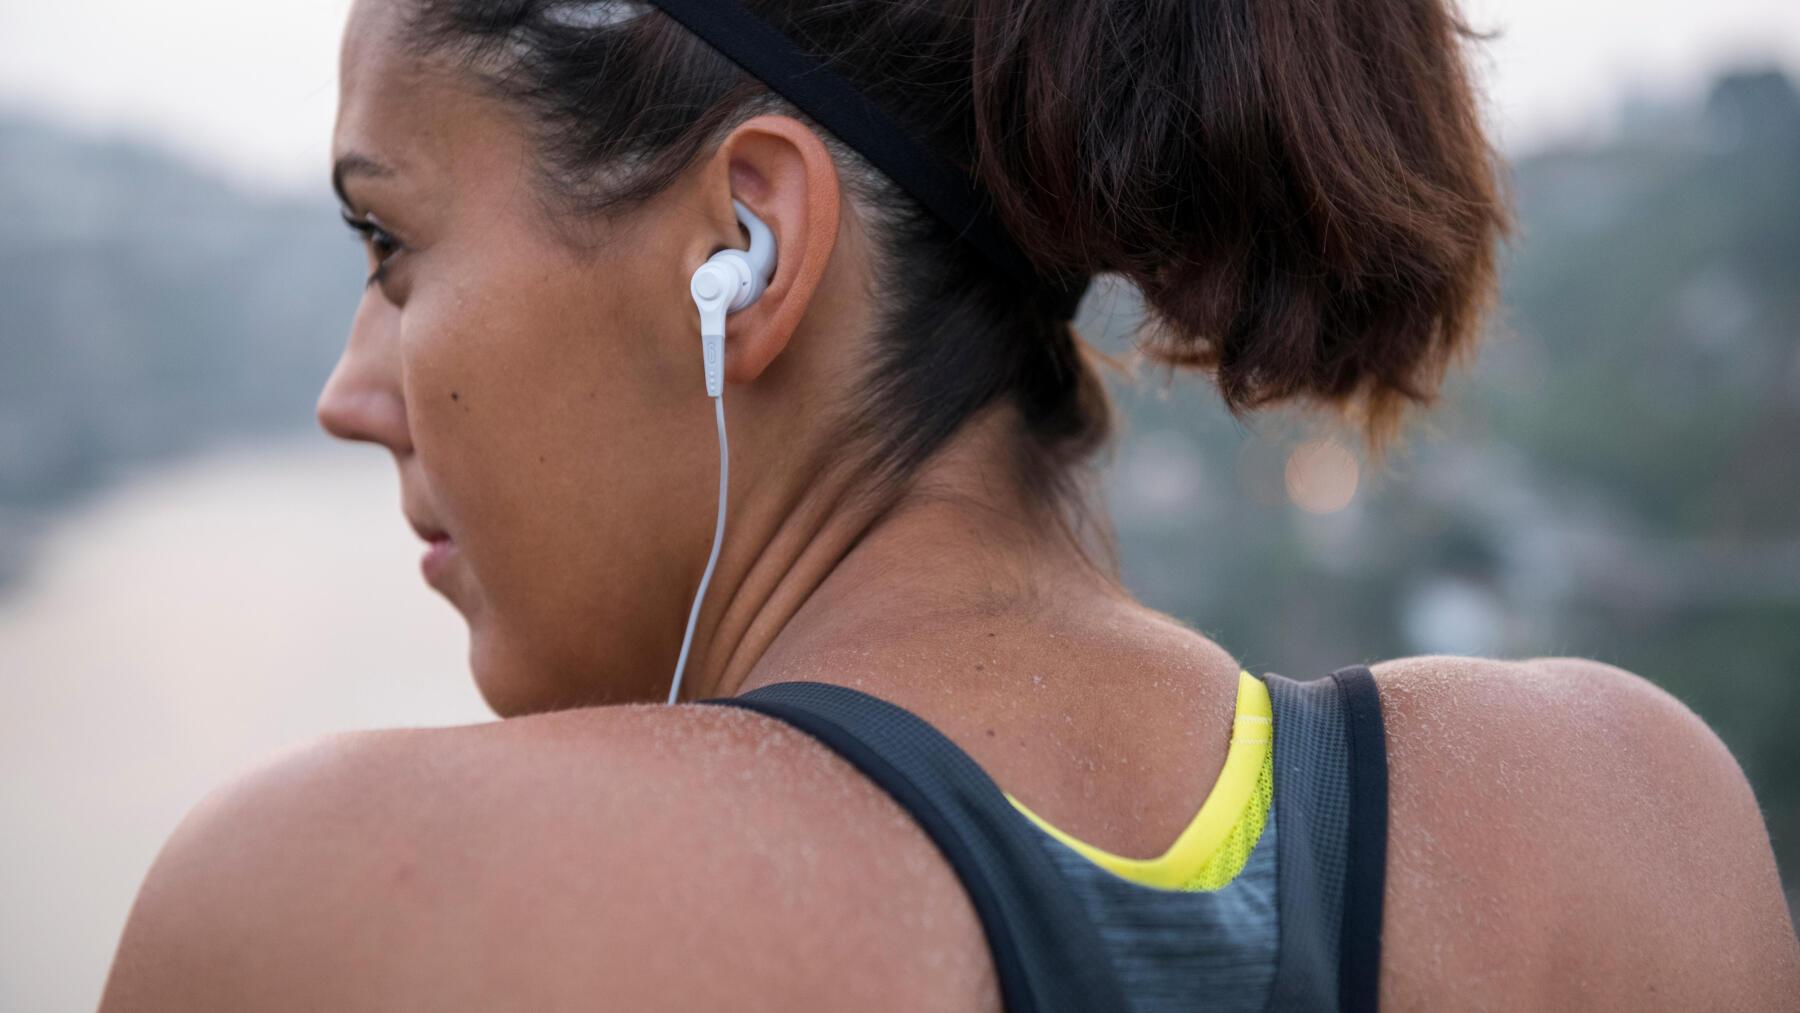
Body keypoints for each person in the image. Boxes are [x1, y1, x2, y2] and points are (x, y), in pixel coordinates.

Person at [100, 0, 1800, 1009]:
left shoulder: (352, 916)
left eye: (391, 246)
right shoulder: (1627, 833)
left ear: (740, 247)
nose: (349, 386)